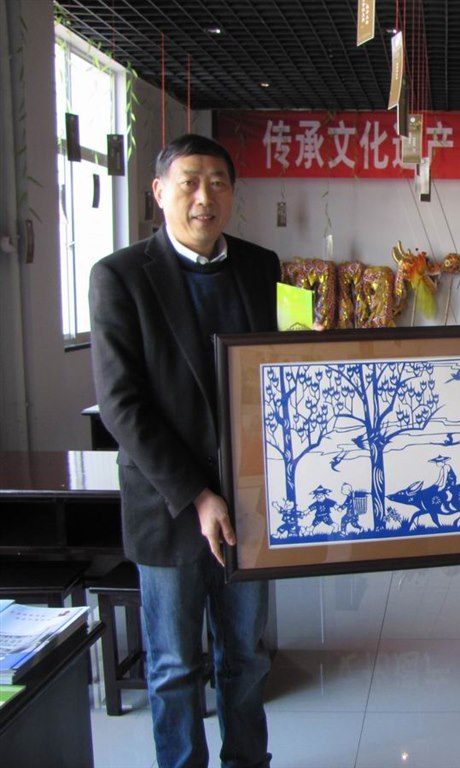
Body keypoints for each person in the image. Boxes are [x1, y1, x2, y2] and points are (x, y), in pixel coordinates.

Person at [90, 134, 278, 768]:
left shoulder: (261, 266)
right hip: (169, 506)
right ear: (159, 191)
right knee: (174, 666)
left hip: (249, 503)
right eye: (190, 182)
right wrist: (198, 496)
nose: (205, 197)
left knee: (246, 658)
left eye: (218, 183)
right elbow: (122, 405)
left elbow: (278, 373)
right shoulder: (119, 276)